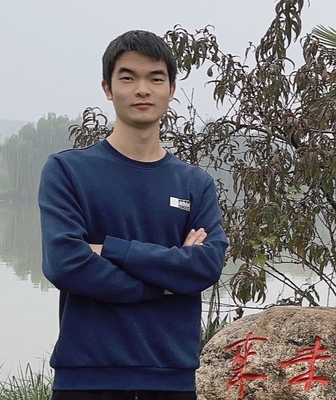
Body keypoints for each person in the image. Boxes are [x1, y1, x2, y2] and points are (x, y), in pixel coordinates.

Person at [38, 30, 228, 400]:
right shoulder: (68, 171)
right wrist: (166, 282)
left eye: (155, 78)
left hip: (171, 375)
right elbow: (65, 263)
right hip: (87, 376)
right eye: (128, 77)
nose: (143, 89)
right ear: (108, 88)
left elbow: (205, 266)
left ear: (171, 89)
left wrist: (112, 249)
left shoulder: (195, 183)